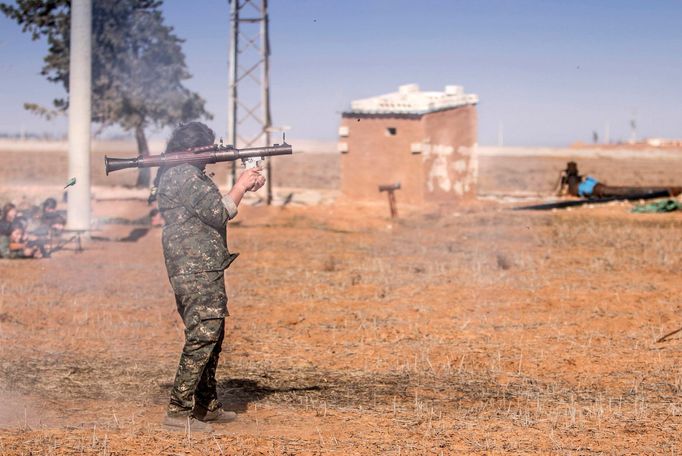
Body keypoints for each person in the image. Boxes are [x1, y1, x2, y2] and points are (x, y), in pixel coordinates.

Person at [157, 122, 265, 432]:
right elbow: (218, 212)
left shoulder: (184, 174)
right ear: (192, 150)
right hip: (195, 267)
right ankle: (178, 411)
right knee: (203, 333)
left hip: (201, 264)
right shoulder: (184, 176)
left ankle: (206, 403)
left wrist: (245, 184)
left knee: (213, 334)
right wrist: (241, 186)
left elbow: (214, 208)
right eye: (207, 148)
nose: (212, 153)